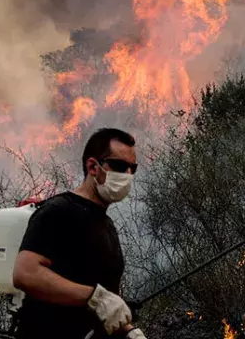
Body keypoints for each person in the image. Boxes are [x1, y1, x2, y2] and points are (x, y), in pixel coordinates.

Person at [13, 128, 147, 339]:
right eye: (120, 166)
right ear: (93, 166)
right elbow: (25, 273)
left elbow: (108, 304)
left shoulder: (107, 225)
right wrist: (94, 297)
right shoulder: (59, 210)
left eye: (133, 168)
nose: (128, 175)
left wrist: (129, 331)